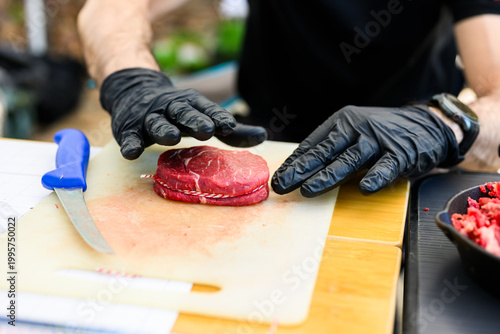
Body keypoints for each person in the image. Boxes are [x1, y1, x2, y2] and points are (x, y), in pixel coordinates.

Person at [77, 0, 500, 197]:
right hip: (264, 146)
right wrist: (131, 77)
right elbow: (108, 9)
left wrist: (443, 124)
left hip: (401, 162)